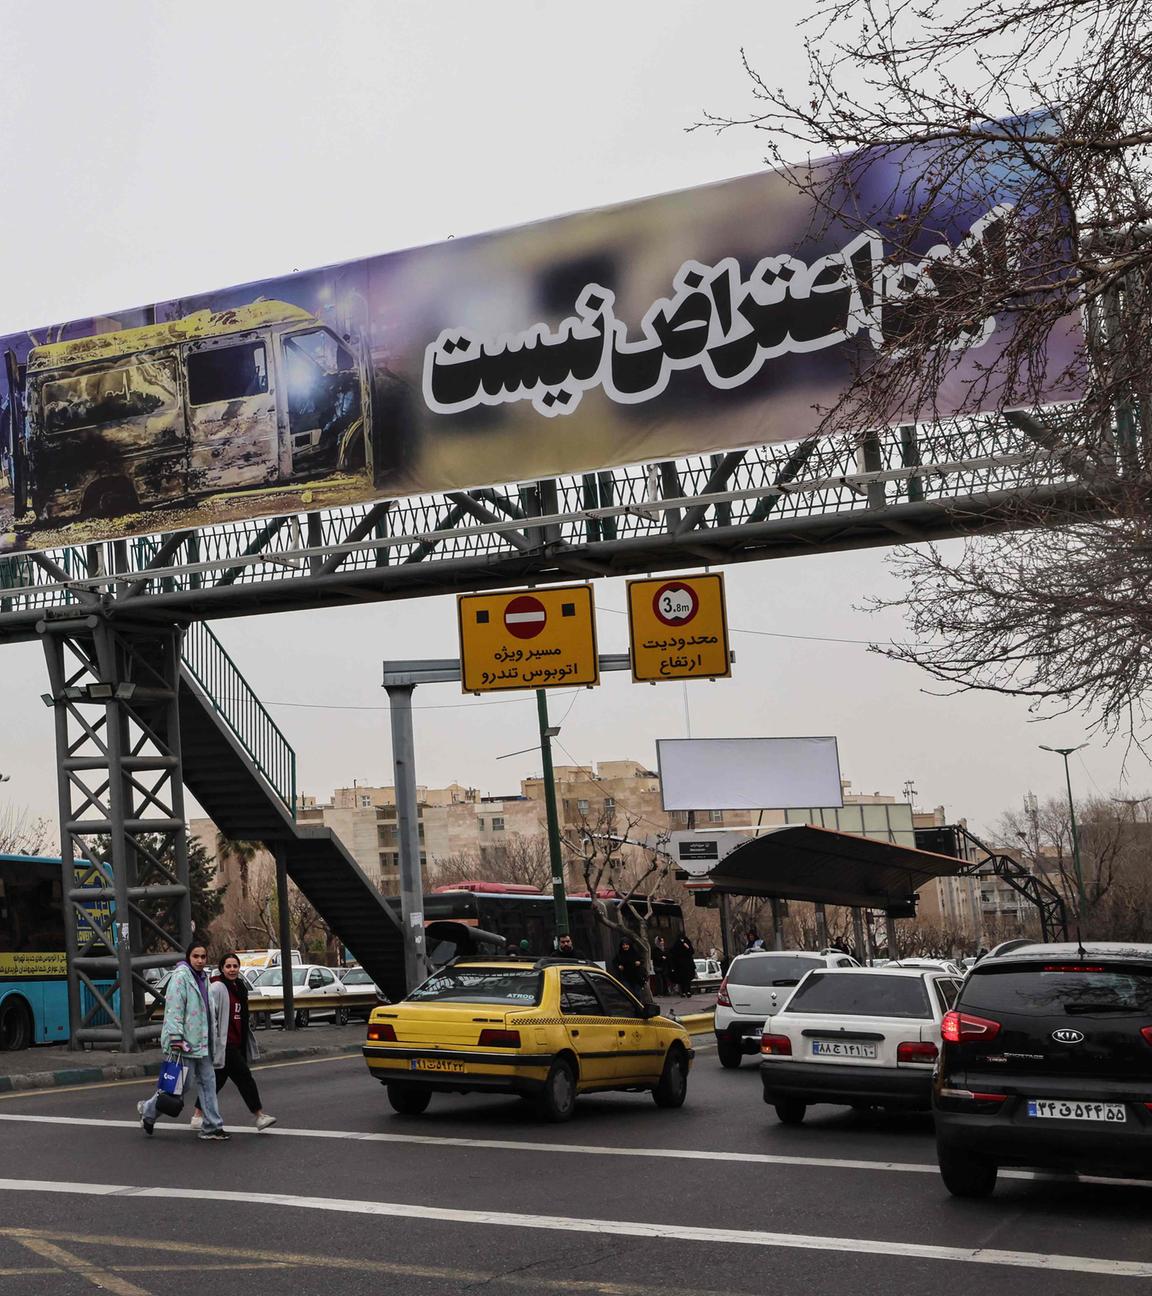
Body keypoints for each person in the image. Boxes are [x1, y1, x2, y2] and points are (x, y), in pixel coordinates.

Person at [137, 940, 228, 1141]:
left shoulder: (204, 977)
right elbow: (174, 1009)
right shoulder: (180, 977)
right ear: (189, 957)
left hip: (202, 1042)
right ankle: (148, 1111)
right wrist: (176, 1038)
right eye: (196, 956)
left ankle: (213, 1126)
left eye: (203, 956)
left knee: (208, 1083)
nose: (200, 960)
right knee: (179, 1088)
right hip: (185, 1043)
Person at [190, 951, 277, 1133]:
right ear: (221, 968)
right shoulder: (218, 987)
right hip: (225, 1043)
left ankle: (197, 1115)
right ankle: (259, 1115)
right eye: (228, 966)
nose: (232, 969)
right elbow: (210, 1014)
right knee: (245, 1077)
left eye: (235, 966)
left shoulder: (239, 987)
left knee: (217, 1081)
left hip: (236, 1042)